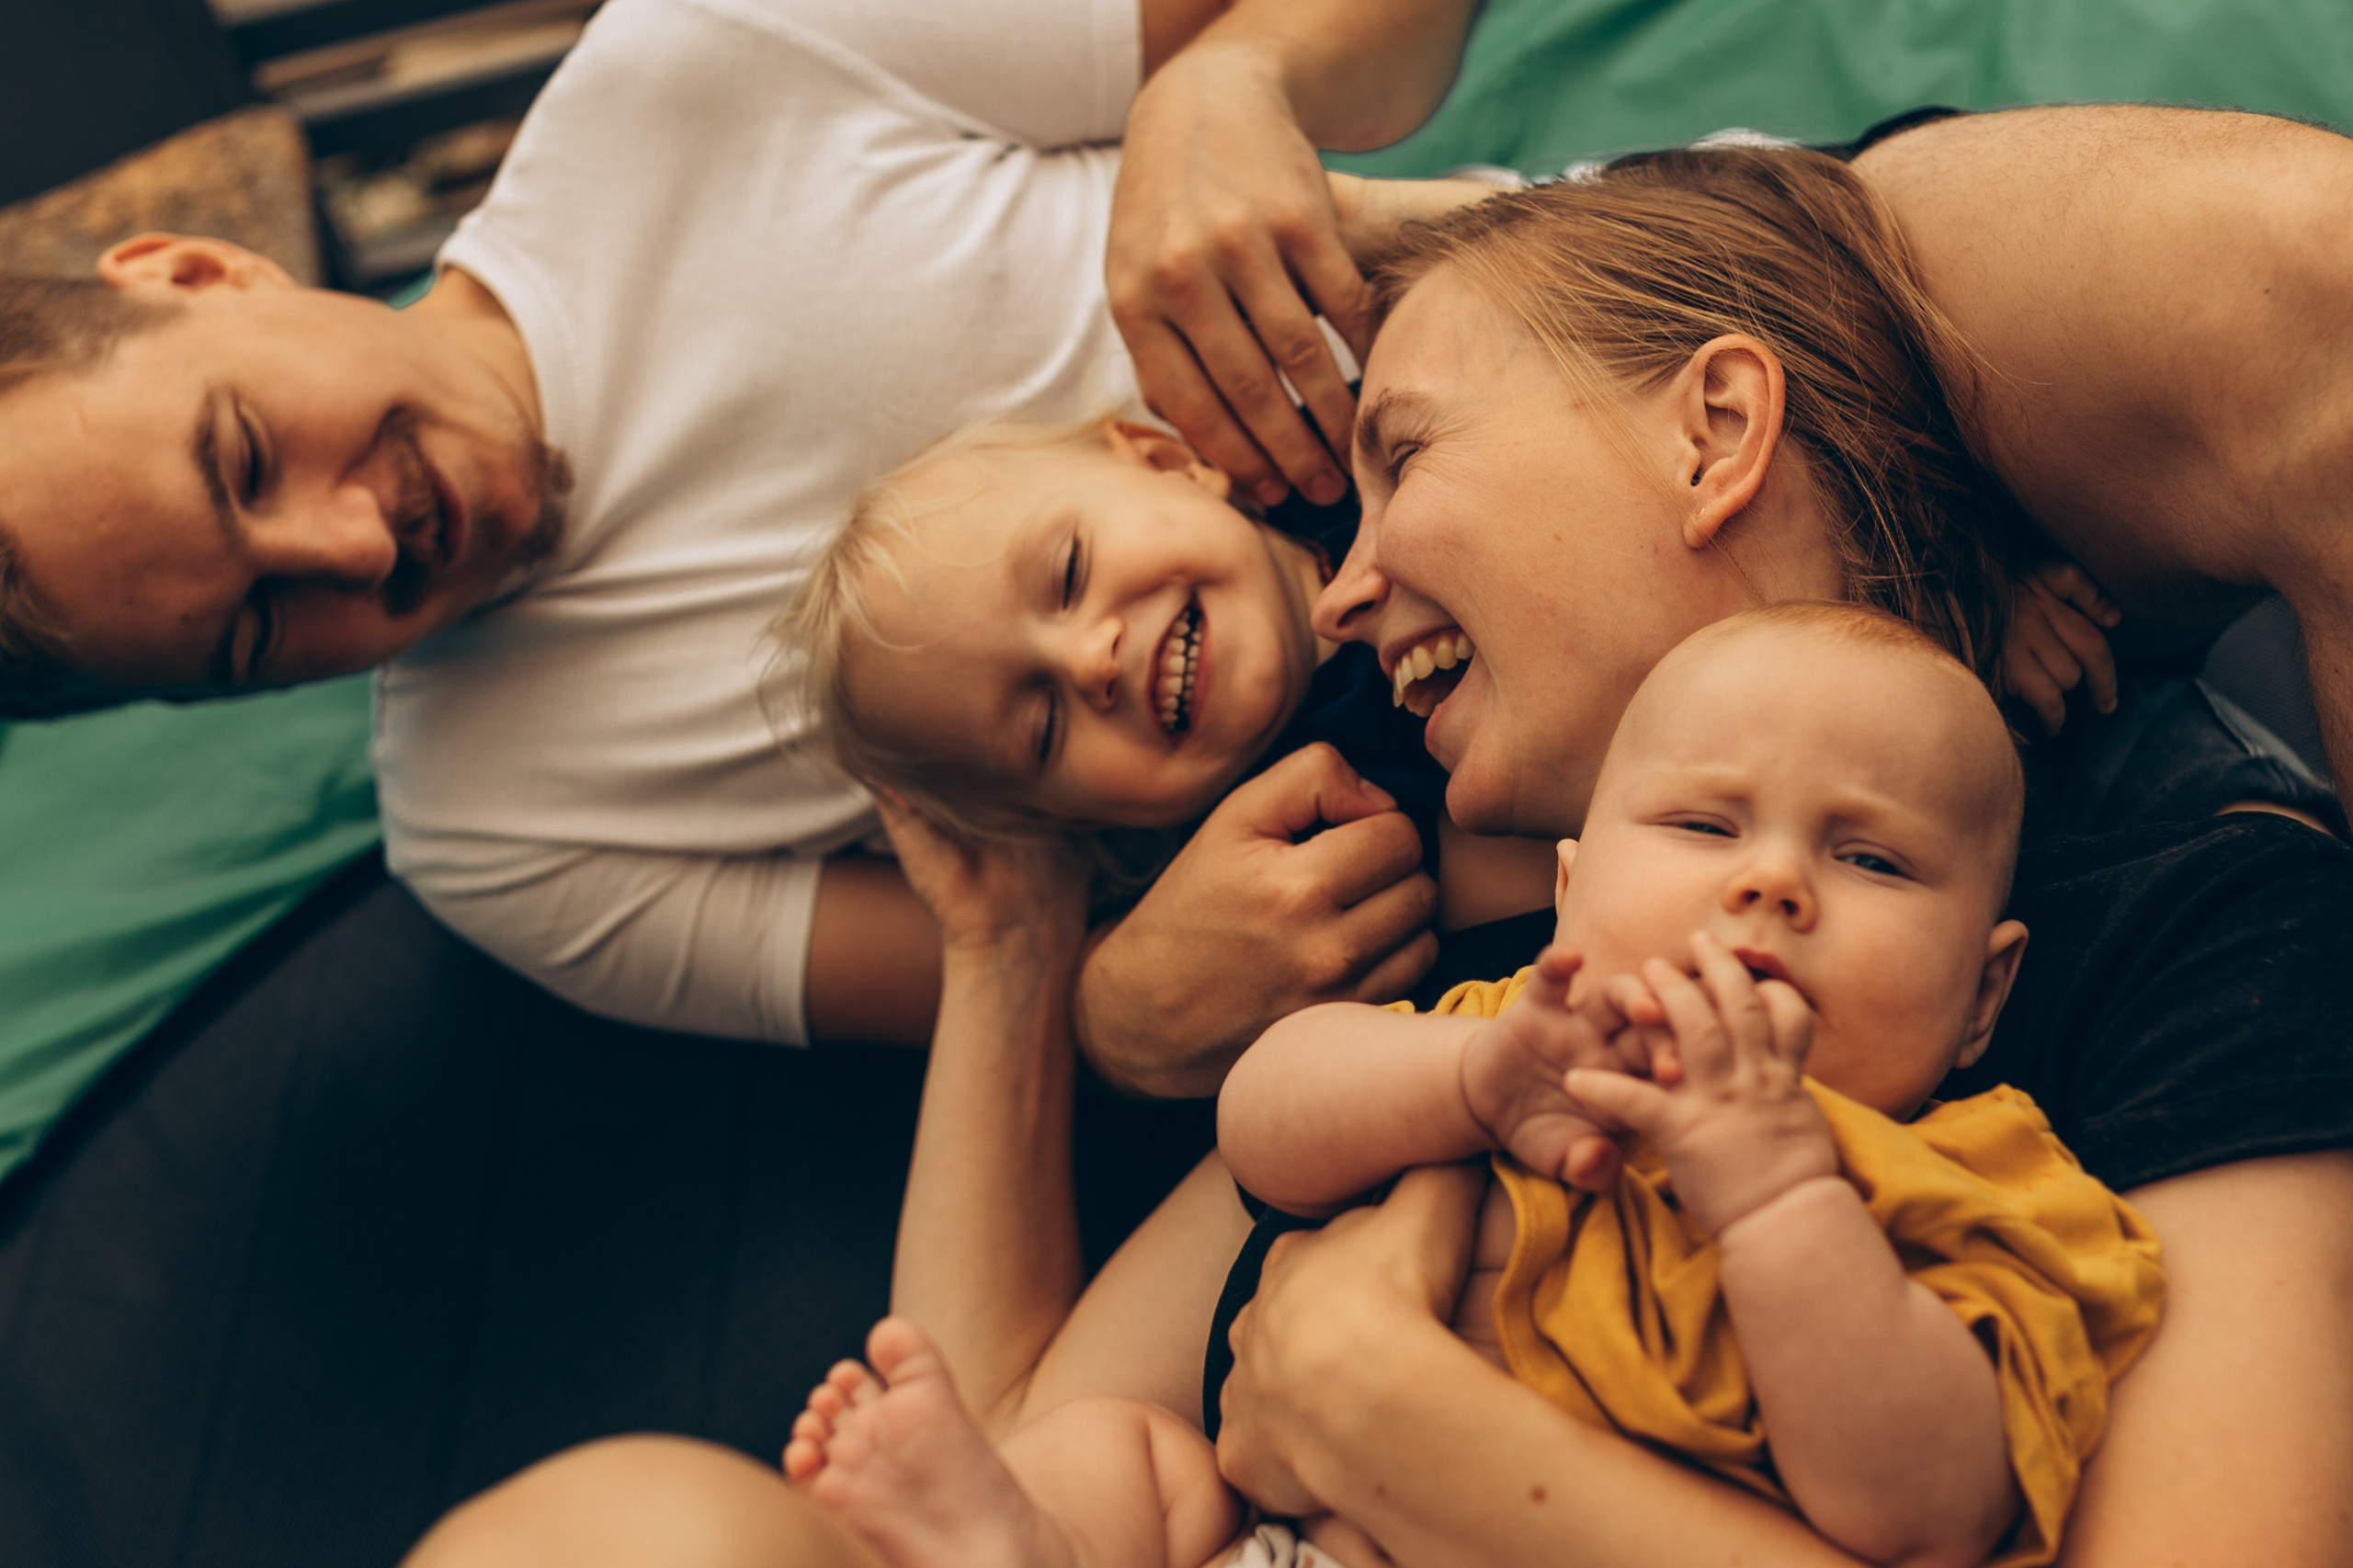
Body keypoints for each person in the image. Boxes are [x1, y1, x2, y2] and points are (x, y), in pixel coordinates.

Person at [400, 134, 2353, 1567]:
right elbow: (1024, 1447)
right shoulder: (1448, 930)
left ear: (1713, 428)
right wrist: (1018, 958)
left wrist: (1395, 1422)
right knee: (621, 1526)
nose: (1337, 593)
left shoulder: (2189, 900)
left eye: (1398, 457)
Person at [0, 0, 1483, 1083]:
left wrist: (1231, 74)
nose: (351, 546)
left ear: (198, 269)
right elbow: (1039, 983)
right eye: (261, 628)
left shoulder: (703, 60)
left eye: (244, 454)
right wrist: (1118, 1015)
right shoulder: (493, 830)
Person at [776, 605, 2165, 1568]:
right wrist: (1465, 1074)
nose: (1771, 881)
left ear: (1985, 994)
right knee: (1122, 1449)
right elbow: (1265, 1127)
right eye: (1701, 824)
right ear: (1572, 894)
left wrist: (1780, 1182)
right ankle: (1030, 1545)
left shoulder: (1984, 1181)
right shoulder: (1507, 1037)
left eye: (1873, 860)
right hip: (1280, 1545)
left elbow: (1928, 1514)